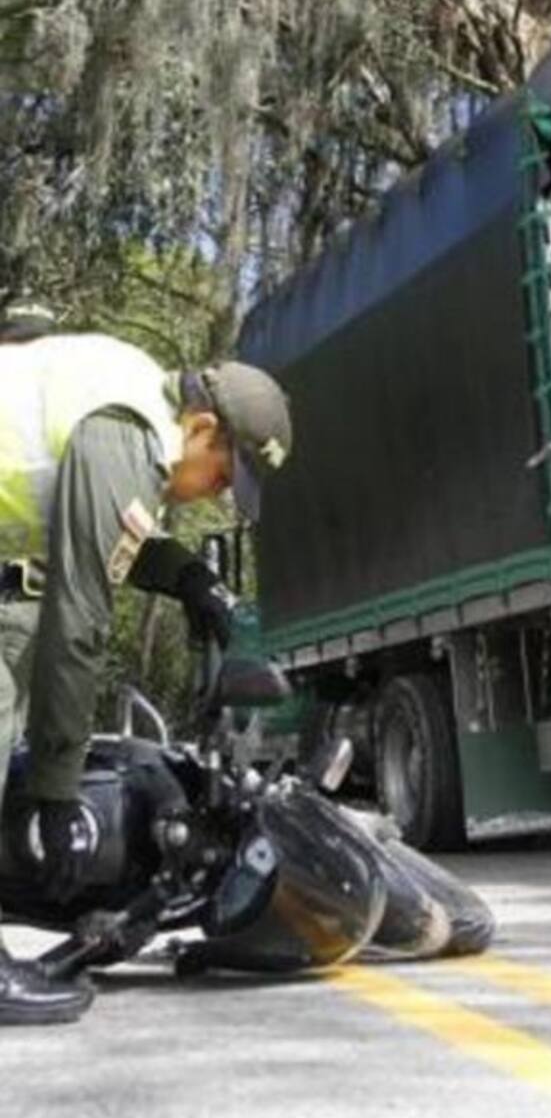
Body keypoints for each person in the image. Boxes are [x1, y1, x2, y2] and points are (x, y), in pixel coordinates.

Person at [0, 323, 292, 1024]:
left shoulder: (130, 396)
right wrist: (57, 792)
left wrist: (189, 578)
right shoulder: (124, 431)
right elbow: (78, 622)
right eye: (222, 475)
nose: (215, 495)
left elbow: (107, 530)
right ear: (201, 427)